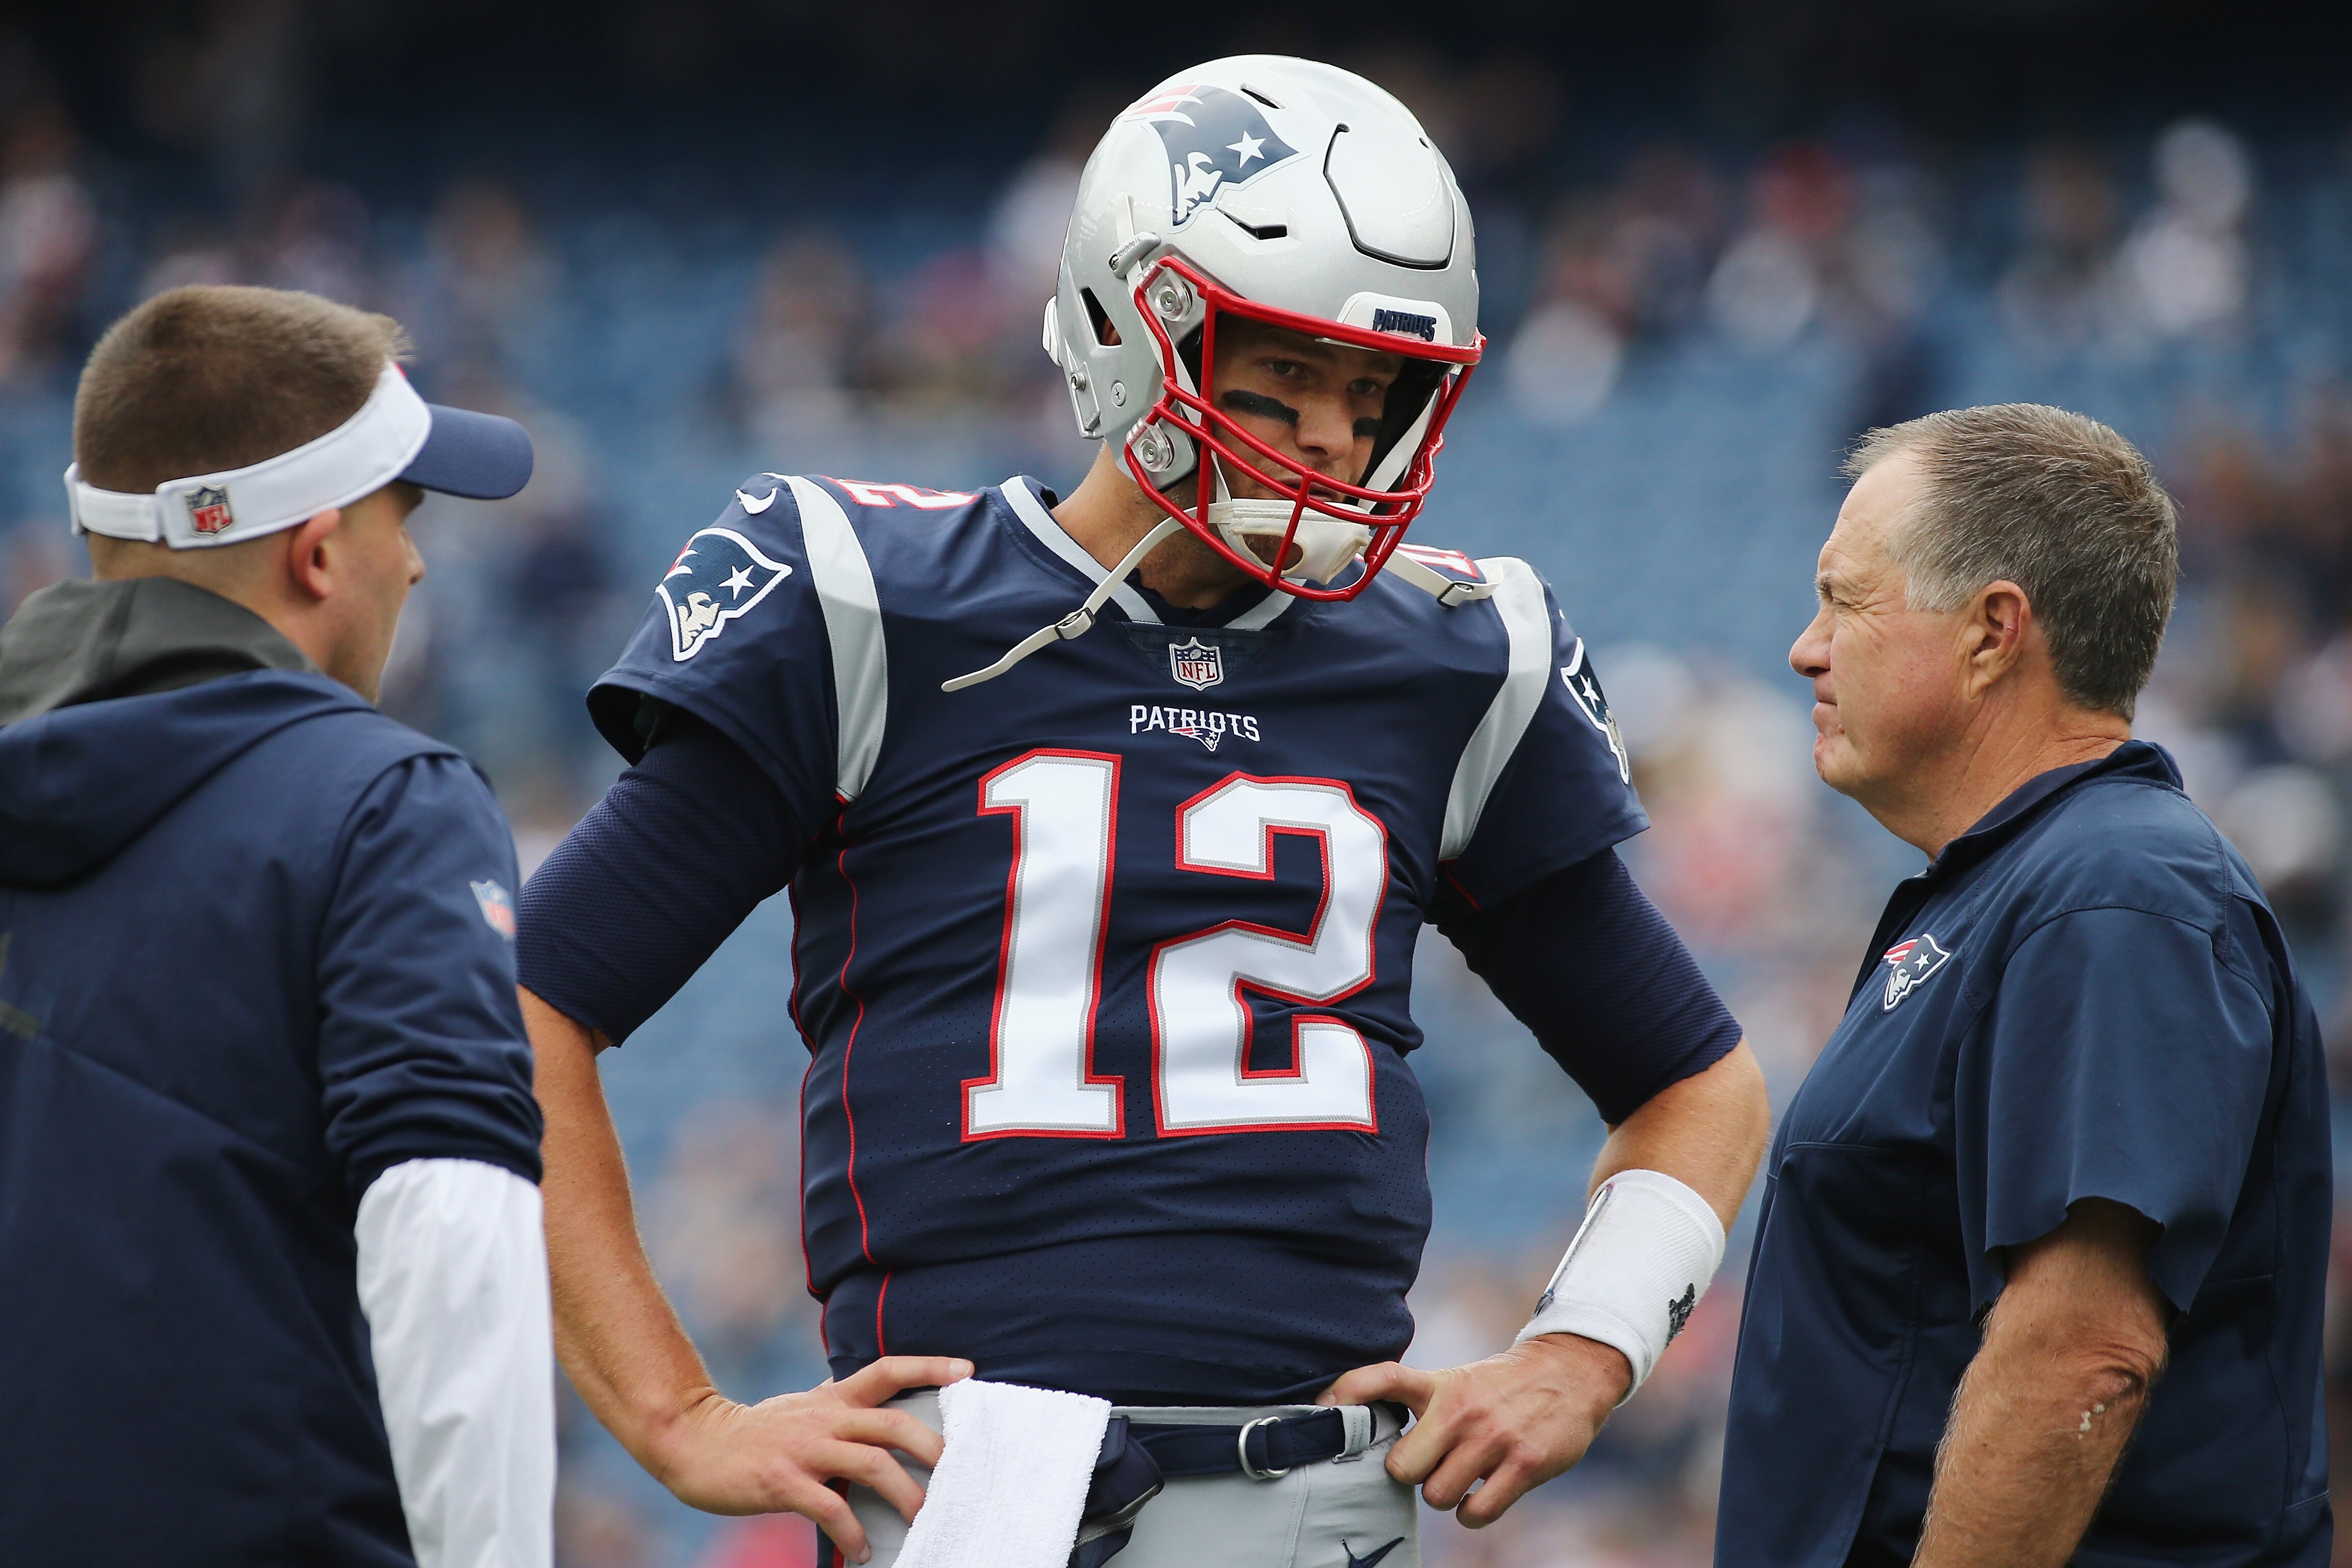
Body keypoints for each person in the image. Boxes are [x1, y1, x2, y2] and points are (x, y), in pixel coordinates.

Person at [518, 57, 1769, 1568]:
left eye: (1372, 395)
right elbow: (533, 1006)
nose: (1328, 439)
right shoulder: (872, 603)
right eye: (1282, 375)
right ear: (1129, 327)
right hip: (976, 1498)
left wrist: (1586, 1349)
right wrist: (672, 1412)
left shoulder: (1447, 658)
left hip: (1327, 1506)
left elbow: (1697, 1081)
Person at [1718, 405, 2330, 1567]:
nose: (1806, 646)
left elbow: (2081, 1353)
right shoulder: (2030, 889)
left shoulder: (2116, 891)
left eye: (1845, 598)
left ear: (1994, 631)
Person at [0, 285, 554, 1568]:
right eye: (401, 518)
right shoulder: (385, 804)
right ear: (316, 555)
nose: (414, 560)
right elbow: (449, 1226)